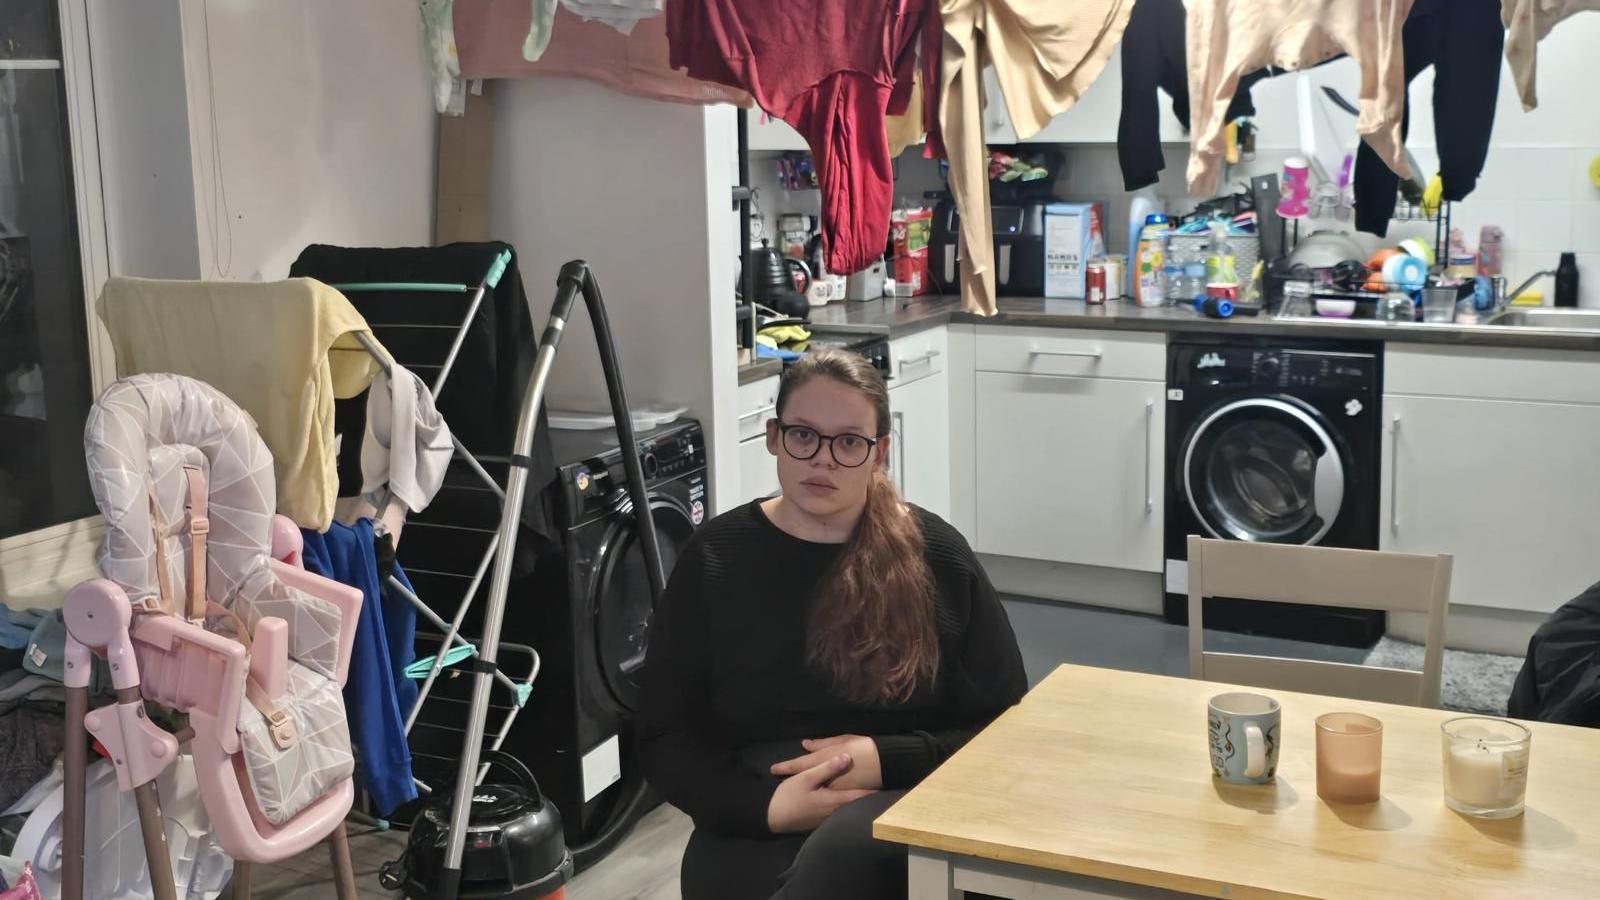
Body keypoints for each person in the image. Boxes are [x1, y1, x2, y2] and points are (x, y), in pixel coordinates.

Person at [638, 349, 1028, 900]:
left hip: (906, 805)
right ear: (773, 437)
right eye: (803, 436)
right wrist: (766, 808)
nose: (822, 460)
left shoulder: (938, 557)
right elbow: (663, 737)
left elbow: (1007, 731)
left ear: (880, 453)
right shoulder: (716, 559)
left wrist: (884, 759)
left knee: (841, 857)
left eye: (849, 442)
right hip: (753, 814)